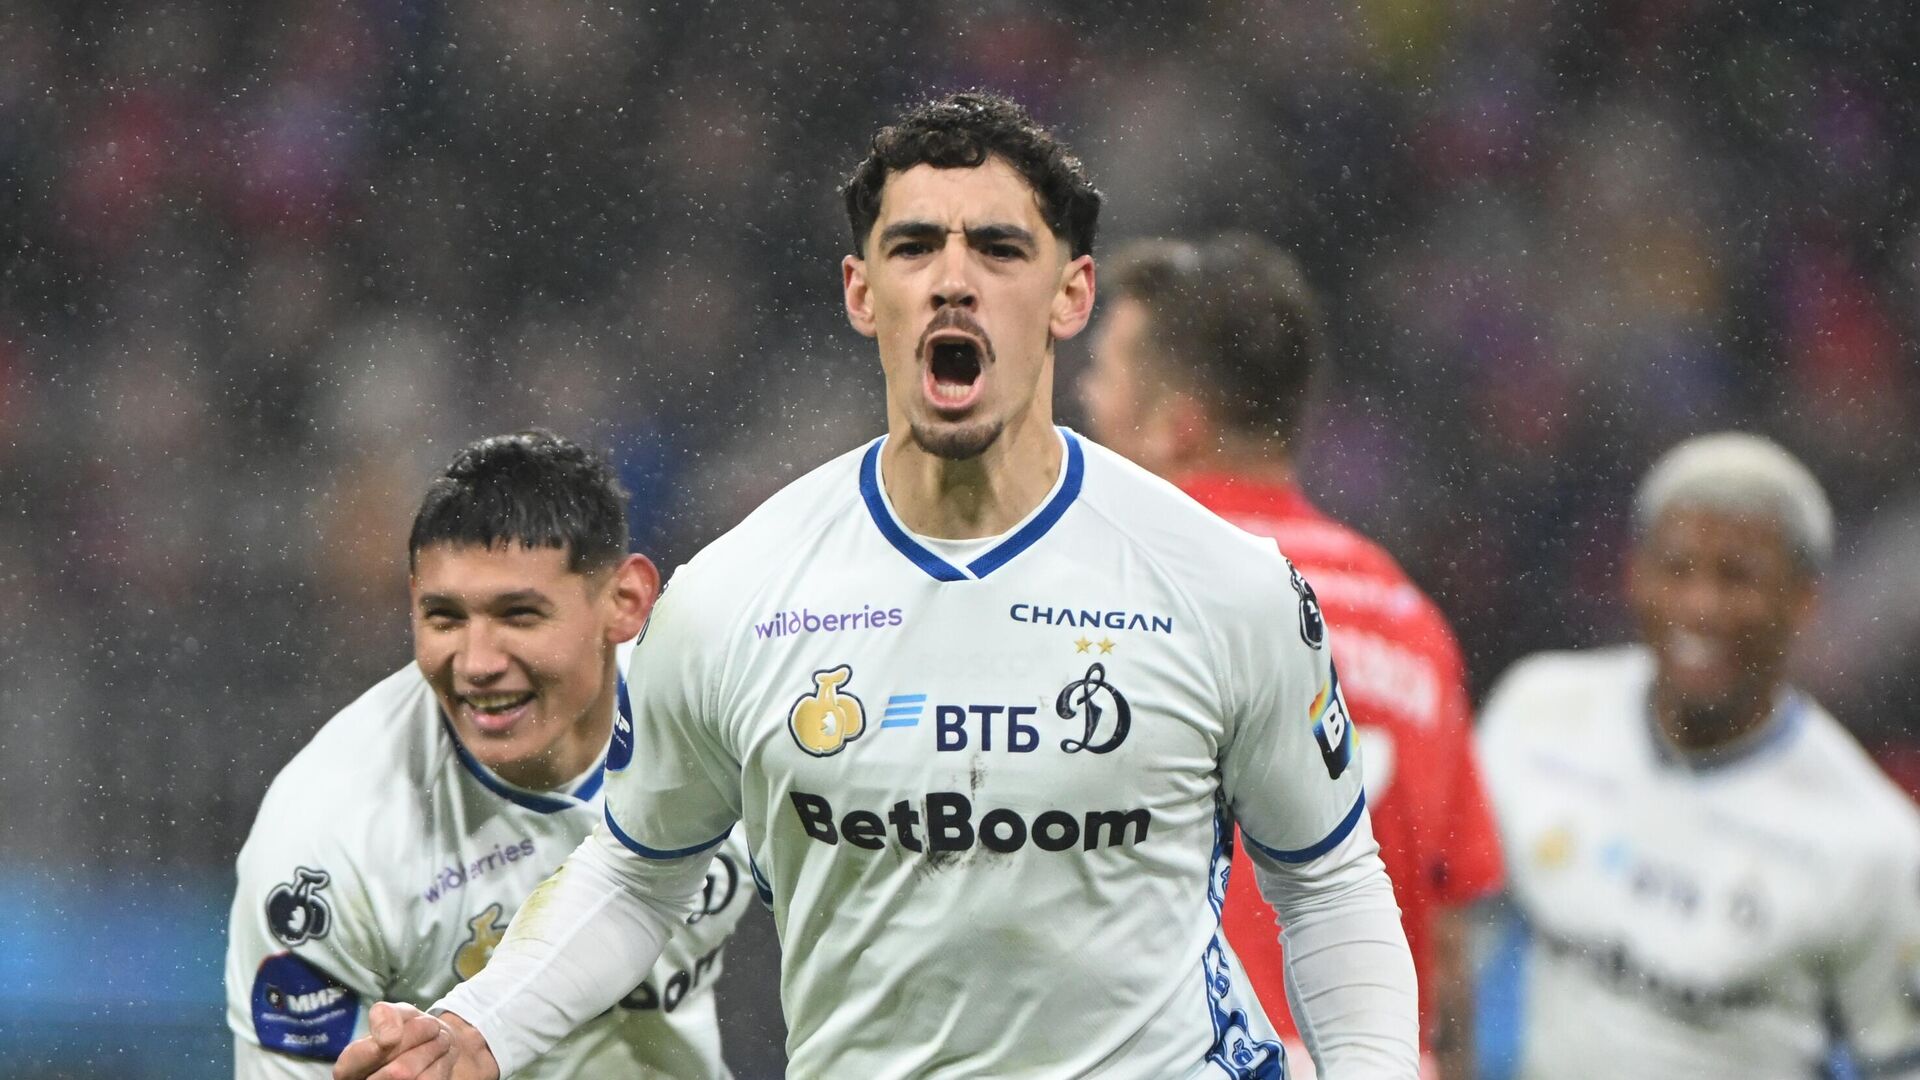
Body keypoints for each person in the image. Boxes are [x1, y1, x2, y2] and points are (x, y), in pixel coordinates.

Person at [335, 91, 1418, 1080]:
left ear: (1070, 294)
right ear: (863, 292)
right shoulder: (734, 598)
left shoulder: (1225, 586)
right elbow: (637, 873)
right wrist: (477, 1027)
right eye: (914, 247)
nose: (954, 278)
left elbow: (1327, 882)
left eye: (1000, 248)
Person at [1079, 232, 1504, 1079]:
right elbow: (1450, 949)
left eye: (1106, 375)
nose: (1085, 399)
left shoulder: (1102, 595)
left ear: (1177, 425)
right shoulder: (1409, 623)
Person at [226, 430, 752, 1078]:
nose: (476, 663)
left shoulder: (712, 725)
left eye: (519, 615)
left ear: (625, 602)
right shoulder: (327, 840)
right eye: (444, 617)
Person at [1474, 433, 1920, 1078]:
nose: (1701, 606)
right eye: (1677, 568)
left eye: (1737, 577)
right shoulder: (1537, 714)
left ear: (1804, 599)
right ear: (1634, 574)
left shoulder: (1874, 845)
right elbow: (1451, 938)